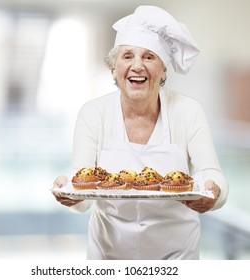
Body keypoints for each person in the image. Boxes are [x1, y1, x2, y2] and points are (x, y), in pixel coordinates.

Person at [53, 5, 229, 259]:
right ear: (114, 68)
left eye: (149, 57)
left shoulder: (188, 111)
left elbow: (213, 175)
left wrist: (214, 193)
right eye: (127, 56)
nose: (137, 66)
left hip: (177, 254)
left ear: (163, 70)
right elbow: (84, 191)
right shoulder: (93, 113)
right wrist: (70, 195)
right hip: (108, 255)